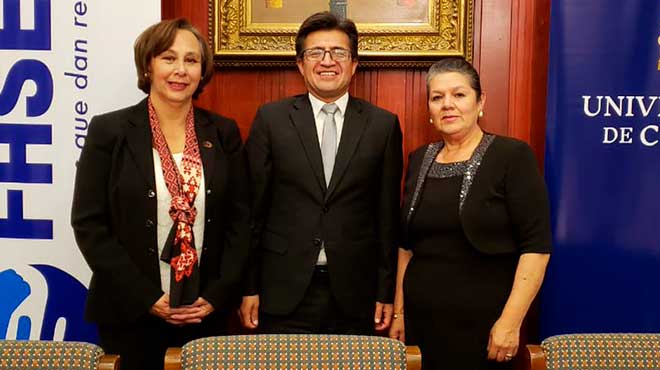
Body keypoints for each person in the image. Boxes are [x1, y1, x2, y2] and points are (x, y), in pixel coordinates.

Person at [71, 18, 250, 370]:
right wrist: (148, 297)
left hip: (205, 315)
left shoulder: (224, 132)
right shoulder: (110, 131)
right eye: (169, 58)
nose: (180, 70)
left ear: (203, 71)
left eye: (191, 60)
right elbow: (89, 225)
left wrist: (215, 297)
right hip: (130, 312)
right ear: (148, 65)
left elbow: (241, 222)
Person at [239, 11, 403, 334]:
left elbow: (387, 217)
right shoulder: (272, 120)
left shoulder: (382, 125)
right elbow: (251, 211)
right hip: (282, 290)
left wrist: (385, 292)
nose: (327, 61)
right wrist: (249, 286)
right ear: (300, 64)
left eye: (339, 52)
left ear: (354, 64)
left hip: (356, 293)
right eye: (316, 52)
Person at [389, 57, 552, 370]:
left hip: (485, 328)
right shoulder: (420, 158)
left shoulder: (512, 156)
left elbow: (536, 248)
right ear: (430, 110)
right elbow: (406, 246)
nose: (447, 104)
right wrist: (400, 313)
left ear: (480, 102)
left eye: (459, 94)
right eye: (437, 97)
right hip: (421, 325)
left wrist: (510, 322)